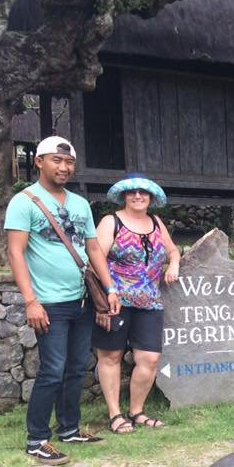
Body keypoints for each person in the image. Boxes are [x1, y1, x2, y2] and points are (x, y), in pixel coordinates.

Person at [5, 136, 121, 465]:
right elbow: (16, 252)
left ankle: (69, 428)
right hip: (49, 302)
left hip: (82, 299)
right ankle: (37, 439)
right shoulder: (24, 202)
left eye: (69, 162)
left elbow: (93, 248)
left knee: (74, 369)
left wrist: (110, 287)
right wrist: (31, 301)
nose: (64, 167)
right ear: (39, 161)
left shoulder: (80, 203)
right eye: (57, 160)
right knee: (52, 371)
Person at [93, 174, 179, 433]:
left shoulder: (156, 222)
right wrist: (110, 290)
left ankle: (137, 411)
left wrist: (173, 263)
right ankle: (115, 414)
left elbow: (172, 250)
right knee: (111, 356)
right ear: (124, 196)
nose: (138, 196)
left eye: (143, 192)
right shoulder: (112, 222)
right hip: (115, 300)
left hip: (150, 302)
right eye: (132, 192)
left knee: (149, 358)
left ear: (151, 198)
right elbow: (96, 257)